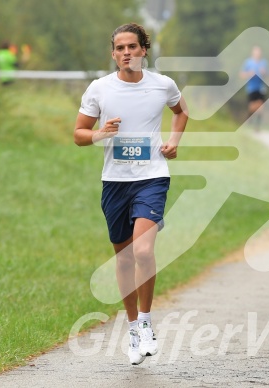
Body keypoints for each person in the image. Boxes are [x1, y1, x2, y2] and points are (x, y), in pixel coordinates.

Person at [73, 23, 188, 365]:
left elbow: (181, 113)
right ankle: (134, 328)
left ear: (143, 51)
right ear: (113, 54)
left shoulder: (162, 85)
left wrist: (174, 142)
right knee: (123, 258)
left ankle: (148, 322)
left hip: (152, 177)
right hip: (115, 182)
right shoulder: (100, 89)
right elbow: (78, 133)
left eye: (132, 47)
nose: (126, 52)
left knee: (142, 250)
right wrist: (100, 133)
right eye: (120, 48)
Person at [240, 45, 268, 131]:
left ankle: (257, 127)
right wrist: (249, 74)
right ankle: (249, 117)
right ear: (253, 53)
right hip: (251, 88)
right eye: (256, 52)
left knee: (260, 107)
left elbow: (267, 75)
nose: (257, 54)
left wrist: (264, 72)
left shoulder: (264, 63)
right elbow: (241, 74)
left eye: (259, 52)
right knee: (252, 106)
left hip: (261, 87)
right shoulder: (248, 62)